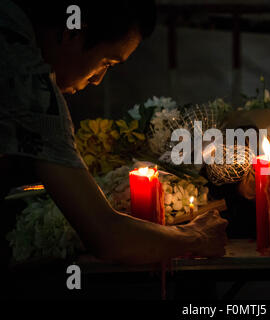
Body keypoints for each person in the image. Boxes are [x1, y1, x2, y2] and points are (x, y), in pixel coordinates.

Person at [0, 0, 228, 268]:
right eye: (106, 62)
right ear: (74, 32)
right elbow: (107, 235)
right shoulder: (29, 84)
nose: (97, 79)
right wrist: (195, 237)